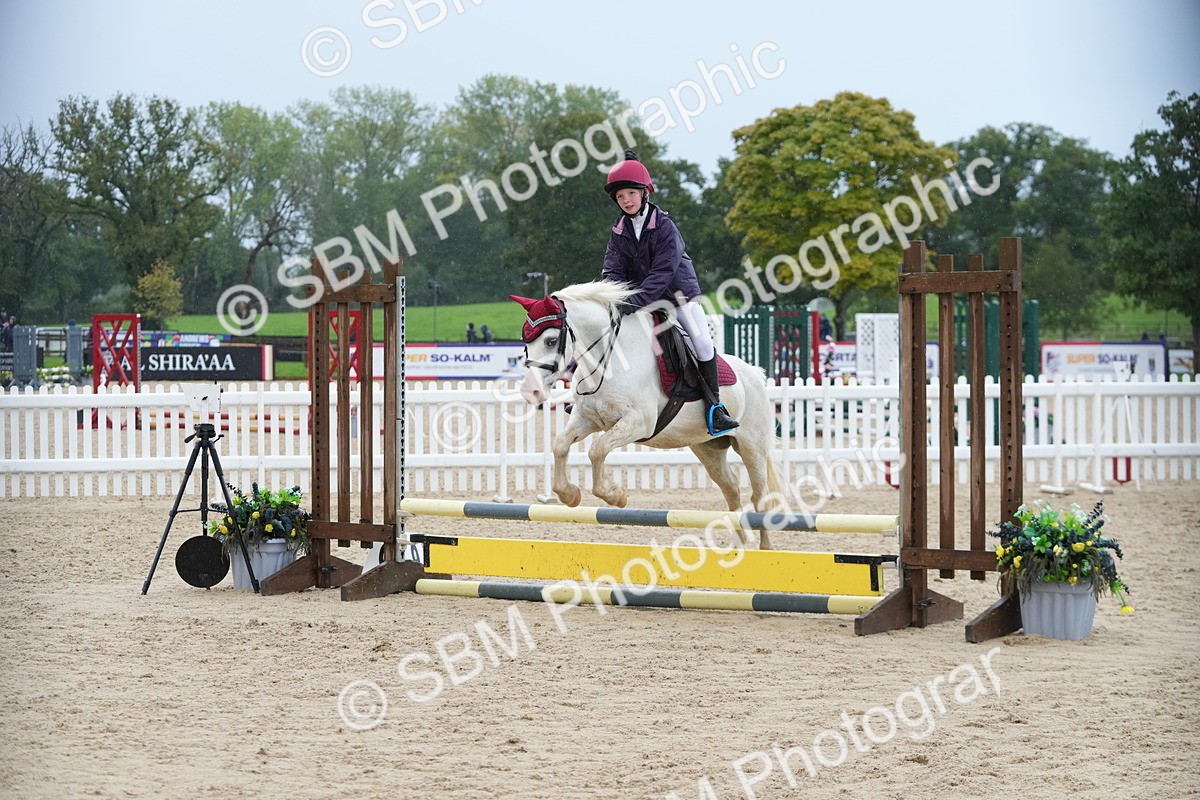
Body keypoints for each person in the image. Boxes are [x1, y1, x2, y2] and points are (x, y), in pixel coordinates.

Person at [601, 149, 737, 435]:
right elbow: (612, 269)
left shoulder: (664, 226)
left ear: (644, 192)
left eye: (630, 194)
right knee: (610, 330)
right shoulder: (618, 230)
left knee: (701, 341)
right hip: (641, 298)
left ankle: (716, 407)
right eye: (620, 197)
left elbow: (662, 274)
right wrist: (614, 297)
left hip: (677, 295)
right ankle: (597, 394)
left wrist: (633, 301)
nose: (625, 201)